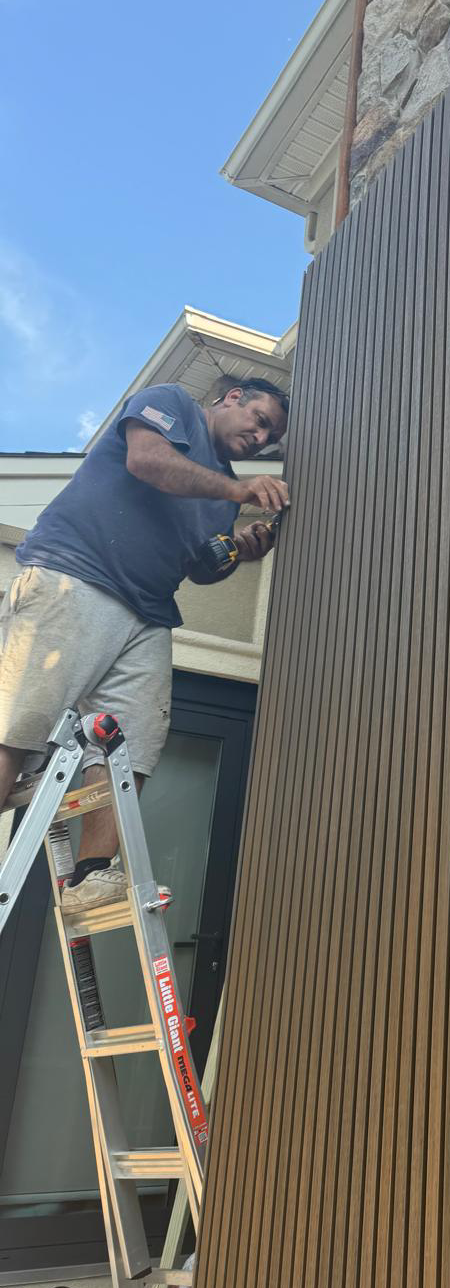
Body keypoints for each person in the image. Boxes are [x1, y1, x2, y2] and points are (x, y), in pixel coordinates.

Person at [0, 376, 290, 910]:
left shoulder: (220, 492)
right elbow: (147, 461)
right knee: (18, 725)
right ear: (231, 399)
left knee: (127, 746)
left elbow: (201, 567)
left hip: (149, 611)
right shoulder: (172, 402)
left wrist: (243, 553)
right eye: (261, 420)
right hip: (78, 575)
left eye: (270, 437)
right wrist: (238, 490)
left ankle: (89, 876)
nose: (262, 438)